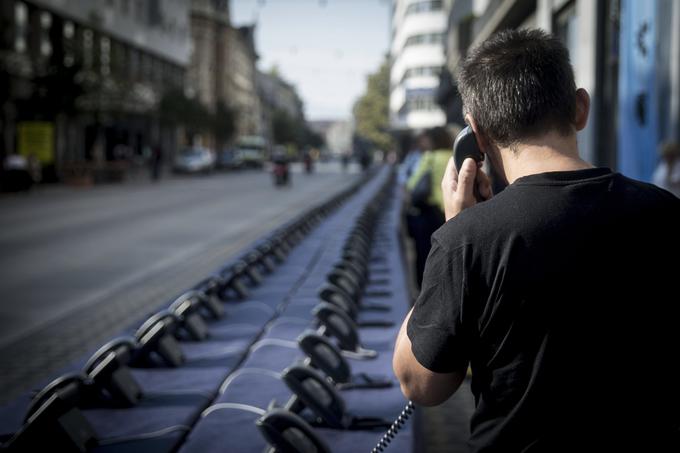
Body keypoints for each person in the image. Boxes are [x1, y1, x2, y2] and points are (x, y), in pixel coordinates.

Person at [393, 29, 680, 452]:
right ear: (580, 108)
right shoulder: (665, 211)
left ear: (476, 133)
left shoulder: (467, 238)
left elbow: (420, 383)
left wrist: (453, 231)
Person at [405, 127, 453, 288]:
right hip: (450, 210)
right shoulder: (454, 156)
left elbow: (413, 184)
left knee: (425, 254)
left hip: (430, 212)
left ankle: (425, 290)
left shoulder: (430, 157)